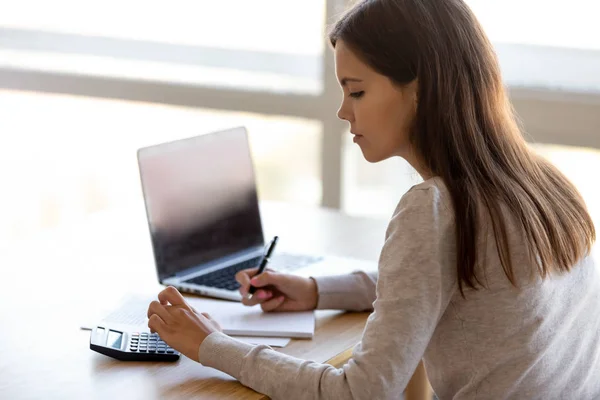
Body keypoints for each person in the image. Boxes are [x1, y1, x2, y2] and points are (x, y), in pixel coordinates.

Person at [146, 0, 600, 398]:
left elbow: (361, 391)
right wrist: (318, 290)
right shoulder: (542, 182)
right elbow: (449, 280)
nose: (344, 111)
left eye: (357, 90)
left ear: (420, 89)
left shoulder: (435, 208)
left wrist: (213, 346)